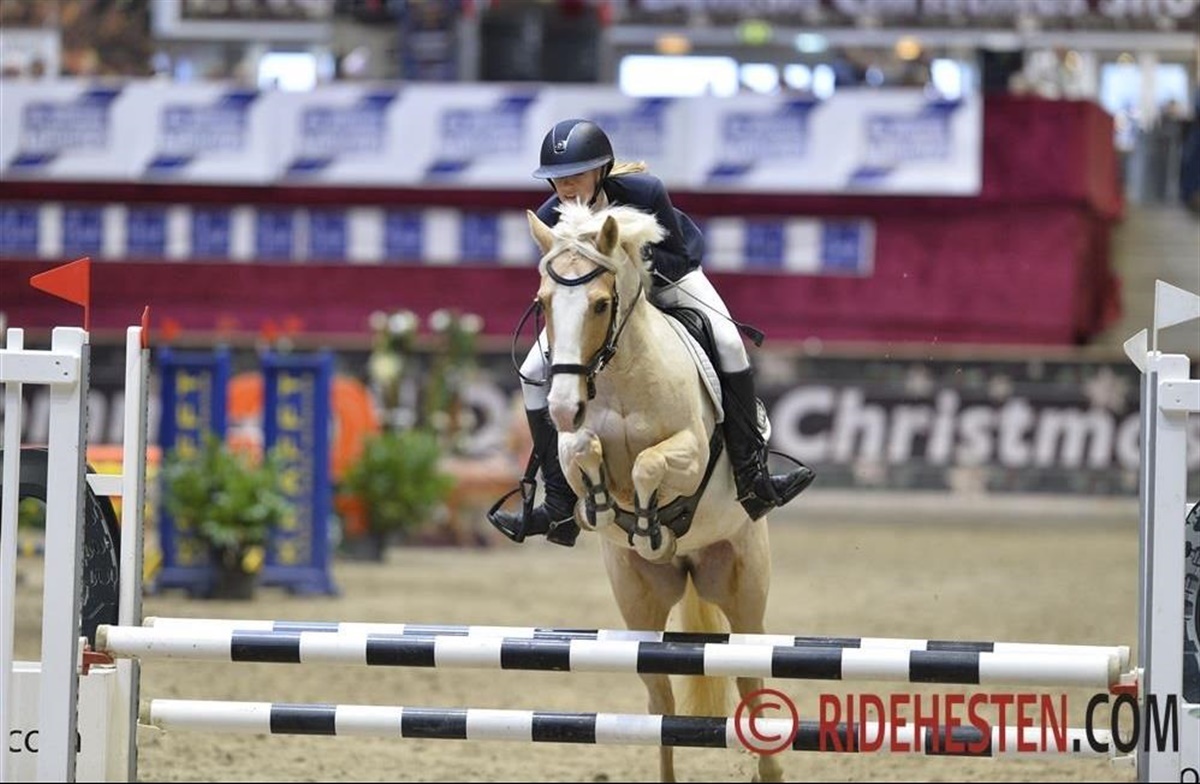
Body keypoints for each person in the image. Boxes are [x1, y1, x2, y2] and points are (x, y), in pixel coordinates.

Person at [489, 118, 815, 547]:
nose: (565, 186)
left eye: (576, 175)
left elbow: (677, 258)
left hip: (668, 280)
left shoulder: (644, 193)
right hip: (599, 303)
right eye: (557, 178)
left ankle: (752, 475)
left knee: (728, 342)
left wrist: (627, 269)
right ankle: (557, 503)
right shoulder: (552, 216)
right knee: (533, 370)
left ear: (601, 171)